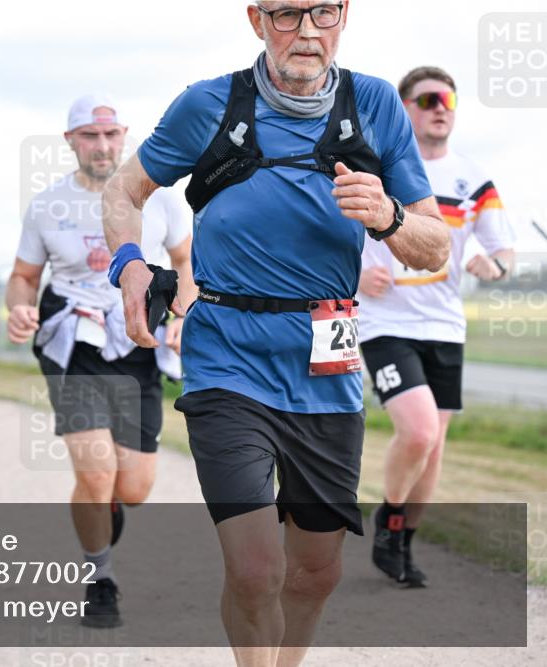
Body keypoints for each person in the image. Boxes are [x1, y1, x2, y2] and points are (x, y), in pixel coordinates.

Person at [102, 2, 451, 664]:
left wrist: (389, 213)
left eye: (324, 10)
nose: (308, 31)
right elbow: (124, 190)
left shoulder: (374, 105)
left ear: (344, 14)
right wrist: (128, 268)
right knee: (257, 567)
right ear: (257, 18)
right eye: (289, 14)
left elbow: (433, 246)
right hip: (226, 358)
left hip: (327, 363)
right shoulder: (209, 105)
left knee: (315, 571)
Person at [6, 93, 195, 628]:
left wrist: (181, 314)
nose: (103, 145)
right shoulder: (48, 205)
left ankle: (105, 508)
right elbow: (23, 276)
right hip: (73, 341)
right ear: (71, 141)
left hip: (138, 340)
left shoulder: (159, 199)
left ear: (125, 137)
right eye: (90, 135)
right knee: (96, 473)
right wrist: (20, 309)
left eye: (112, 135)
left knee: (131, 490)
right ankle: (100, 578)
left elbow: (185, 263)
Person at [358, 66, 516, 588]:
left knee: (435, 445)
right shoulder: (372, 171)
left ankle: (401, 543)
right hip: (385, 324)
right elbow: (331, 235)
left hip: (446, 328)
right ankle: (388, 522)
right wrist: (361, 274)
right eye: (428, 99)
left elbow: (503, 254)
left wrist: (491, 267)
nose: (440, 107)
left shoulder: (474, 180)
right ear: (405, 110)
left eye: (447, 98)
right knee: (419, 429)